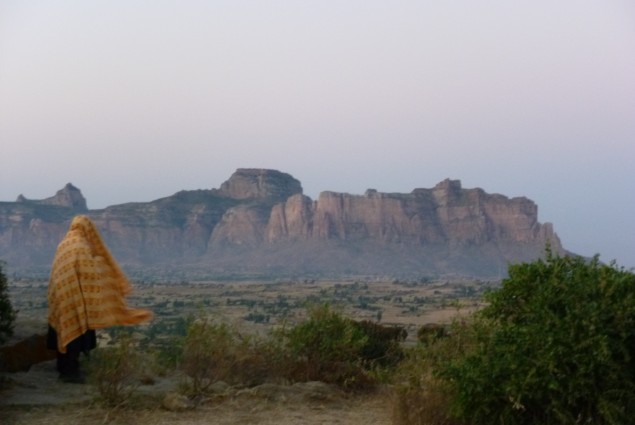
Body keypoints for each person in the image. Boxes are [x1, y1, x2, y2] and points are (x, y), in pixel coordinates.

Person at [47, 215, 153, 383]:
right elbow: (90, 274)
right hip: (75, 300)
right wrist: (101, 263)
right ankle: (70, 374)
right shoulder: (82, 246)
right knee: (75, 334)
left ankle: (63, 368)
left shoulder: (63, 245)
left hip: (61, 299)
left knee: (63, 329)